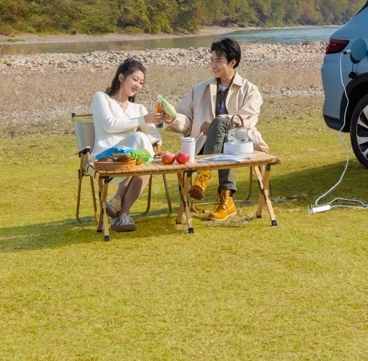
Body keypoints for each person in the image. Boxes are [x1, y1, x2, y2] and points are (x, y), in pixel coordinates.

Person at [169, 38, 269, 222]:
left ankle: (204, 176)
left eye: (218, 61)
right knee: (222, 139)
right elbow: (187, 121)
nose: (213, 65)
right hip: (203, 144)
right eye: (212, 60)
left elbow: (248, 118)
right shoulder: (200, 89)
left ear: (232, 62)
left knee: (222, 128)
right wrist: (173, 118)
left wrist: (218, 121)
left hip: (240, 145)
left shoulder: (250, 90)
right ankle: (226, 200)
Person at [91, 58, 167, 233]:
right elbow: (109, 125)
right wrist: (142, 121)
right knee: (139, 140)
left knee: (145, 158)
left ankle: (121, 211)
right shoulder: (101, 98)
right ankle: (118, 203)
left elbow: (156, 137)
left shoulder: (138, 108)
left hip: (131, 161)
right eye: (135, 79)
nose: (138, 85)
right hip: (106, 158)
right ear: (121, 77)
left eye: (141, 82)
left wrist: (156, 123)